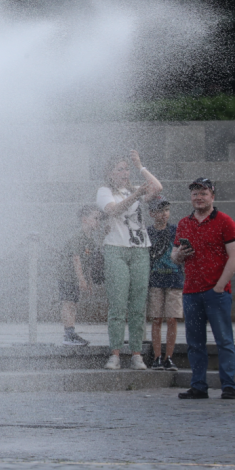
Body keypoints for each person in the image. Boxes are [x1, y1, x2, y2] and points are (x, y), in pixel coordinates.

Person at [172, 178, 235, 400]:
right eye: (195, 194)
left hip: (216, 292)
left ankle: (229, 385)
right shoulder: (184, 223)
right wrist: (178, 256)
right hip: (191, 292)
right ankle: (199, 386)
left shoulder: (225, 221)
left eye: (203, 193)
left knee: (224, 341)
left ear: (212, 196)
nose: (198, 198)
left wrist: (219, 287)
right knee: (194, 343)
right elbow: (174, 256)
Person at [96, 151, 162, 370]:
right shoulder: (104, 191)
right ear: (110, 173)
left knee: (137, 306)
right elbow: (113, 210)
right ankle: (114, 354)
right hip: (116, 249)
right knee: (117, 304)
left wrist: (140, 166)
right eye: (119, 169)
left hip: (140, 249)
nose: (125, 173)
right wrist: (135, 196)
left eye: (127, 169)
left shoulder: (135, 188)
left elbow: (157, 188)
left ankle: (136, 353)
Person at [146, 198, 184, 371]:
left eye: (166, 210)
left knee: (172, 318)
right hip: (155, 281)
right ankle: (157, 357)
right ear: (151, 213)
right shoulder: (147, 233)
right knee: (156, 318)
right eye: (160, 211)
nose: (164, 214)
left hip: (174, 280)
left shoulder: (176, 230)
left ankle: (169, 357)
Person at [58, 205, 104, 346]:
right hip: (67, 276)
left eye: (99, 219)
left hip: (76, 277)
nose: (98, 221)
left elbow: (88, 263)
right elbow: (76, 259)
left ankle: (70, 332)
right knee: (68, 303)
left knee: (73, 304)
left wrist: (88, 281)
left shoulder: (90, 240)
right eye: (95, 218)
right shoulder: (78, 236)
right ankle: (68, 334)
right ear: (84, 219)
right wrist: (81, 279)